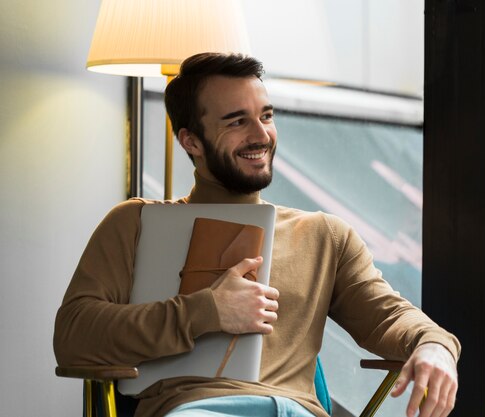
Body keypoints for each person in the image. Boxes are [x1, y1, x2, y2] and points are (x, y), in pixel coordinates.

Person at [54, 53, 460, 417]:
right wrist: (204, 312)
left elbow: (391, 317)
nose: (261, 134)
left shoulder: (324, 235)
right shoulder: (134, 223)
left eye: (266, 115)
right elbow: (73, 335)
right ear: (190, 141)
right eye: (237, 121)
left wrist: (436, 346)